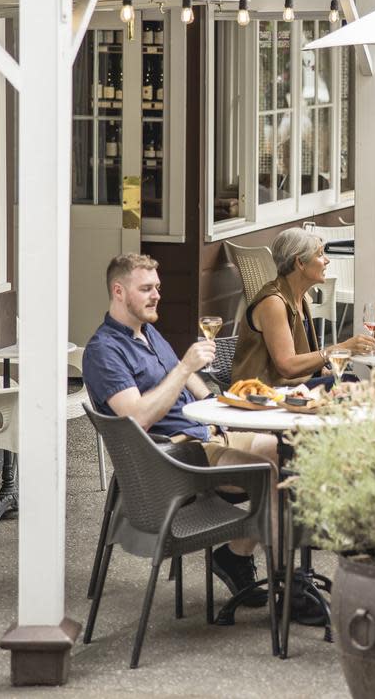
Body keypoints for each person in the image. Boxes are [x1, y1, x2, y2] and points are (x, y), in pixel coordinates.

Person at [81, 253, 277, 609]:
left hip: (206, 437)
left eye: (157, 287)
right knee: (275, 469)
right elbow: (137, 419)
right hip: (172, 460)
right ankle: (256, 566)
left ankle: (248, 559)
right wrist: (186, 365)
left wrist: (226, 404)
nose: (156, 295)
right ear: (119, 291)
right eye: (146, 289)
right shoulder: (104, 351)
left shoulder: (150, 333)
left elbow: (194, 384)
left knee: (289, 448)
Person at [233, 228, 375, 386]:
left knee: (352, 383)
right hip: (262, 393)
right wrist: (340, 348)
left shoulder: (300, 298)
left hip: (293, 387)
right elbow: (287, 366)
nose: (327, 260)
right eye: (320, 254)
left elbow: (300, 354)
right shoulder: (273, 302)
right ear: (300, 262)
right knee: (354, 386)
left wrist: (322, 371)